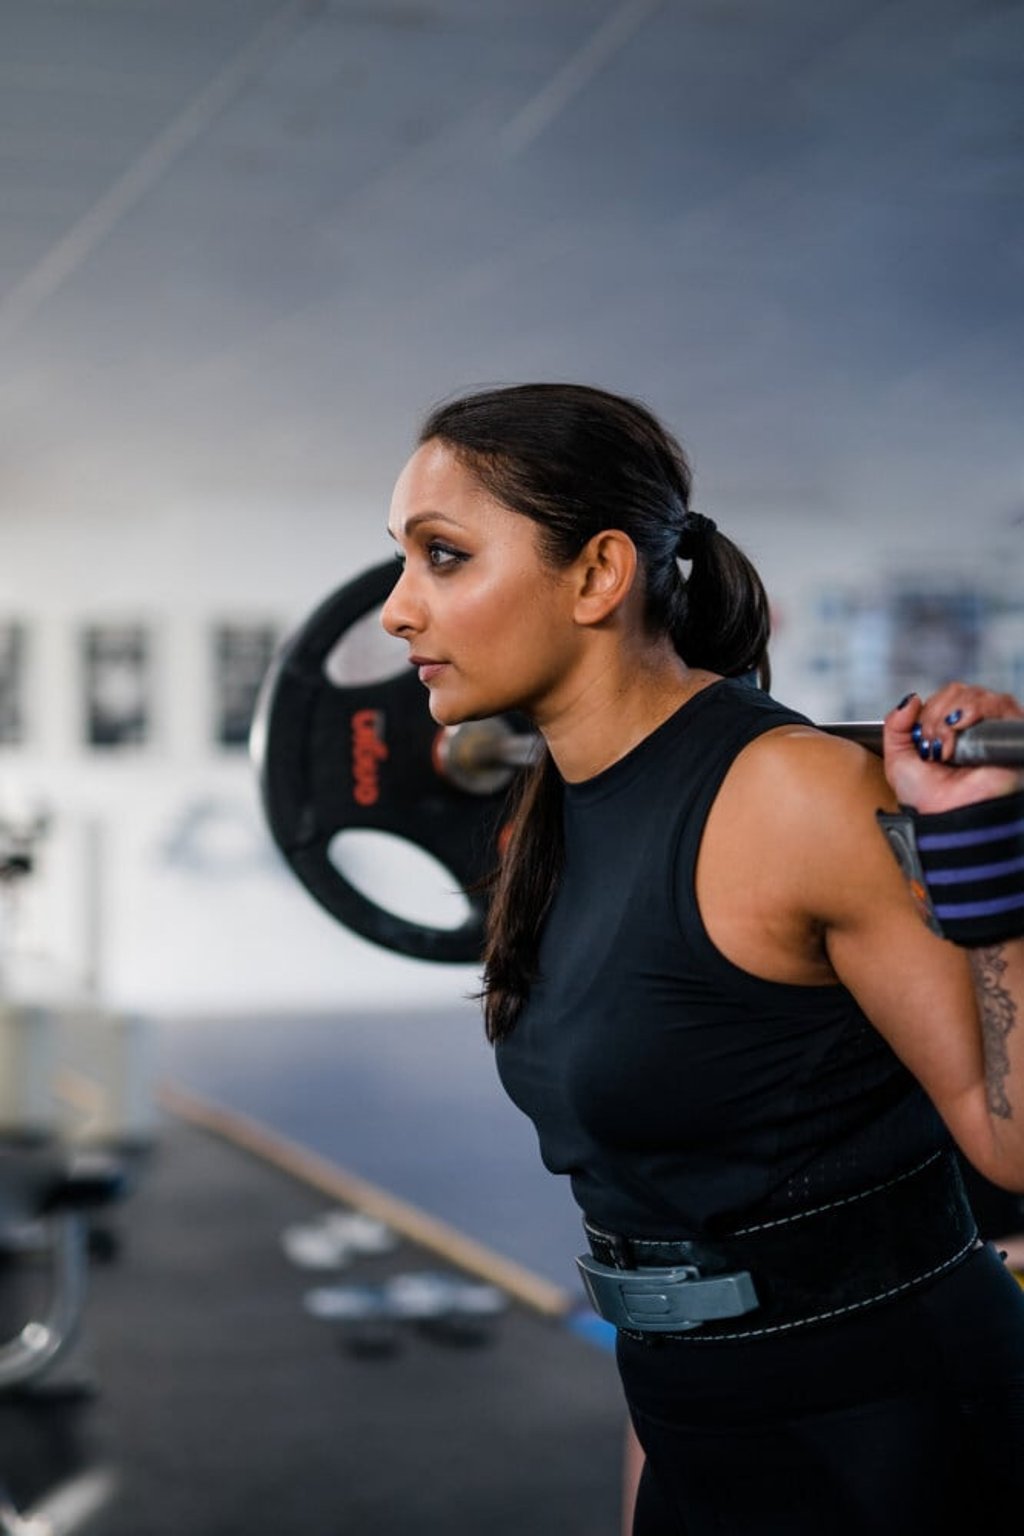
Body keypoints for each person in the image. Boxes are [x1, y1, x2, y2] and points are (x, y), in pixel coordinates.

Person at [380, 382, 1024, 1535]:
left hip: (906, 1427)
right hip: (695, 1420)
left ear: (598, 575)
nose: (395, 609)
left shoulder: (796, 794)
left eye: (442, 557)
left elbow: (1011, 1136)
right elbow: (657, 1202)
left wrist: (984, 857)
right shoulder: (549, 819)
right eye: (401, 560)